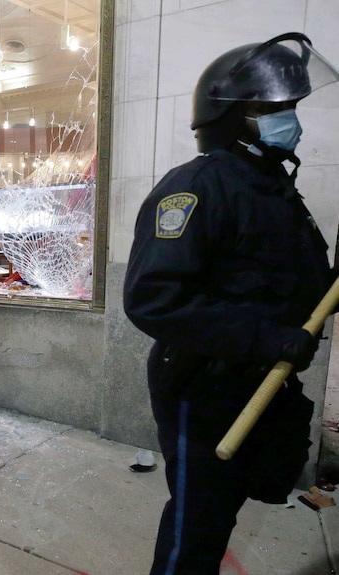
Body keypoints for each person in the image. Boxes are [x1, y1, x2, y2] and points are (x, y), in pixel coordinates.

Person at [124, 33, 339, 573]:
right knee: (197, 521)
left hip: (261, 384)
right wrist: (267, 339)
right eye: (271, 108)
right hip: (205, 386)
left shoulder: (273, 188)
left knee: (233, 500)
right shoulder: (199, 187)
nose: (288, 118)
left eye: (288, 107)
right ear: (231, 116)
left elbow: (281, 281)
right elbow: (153, 300)